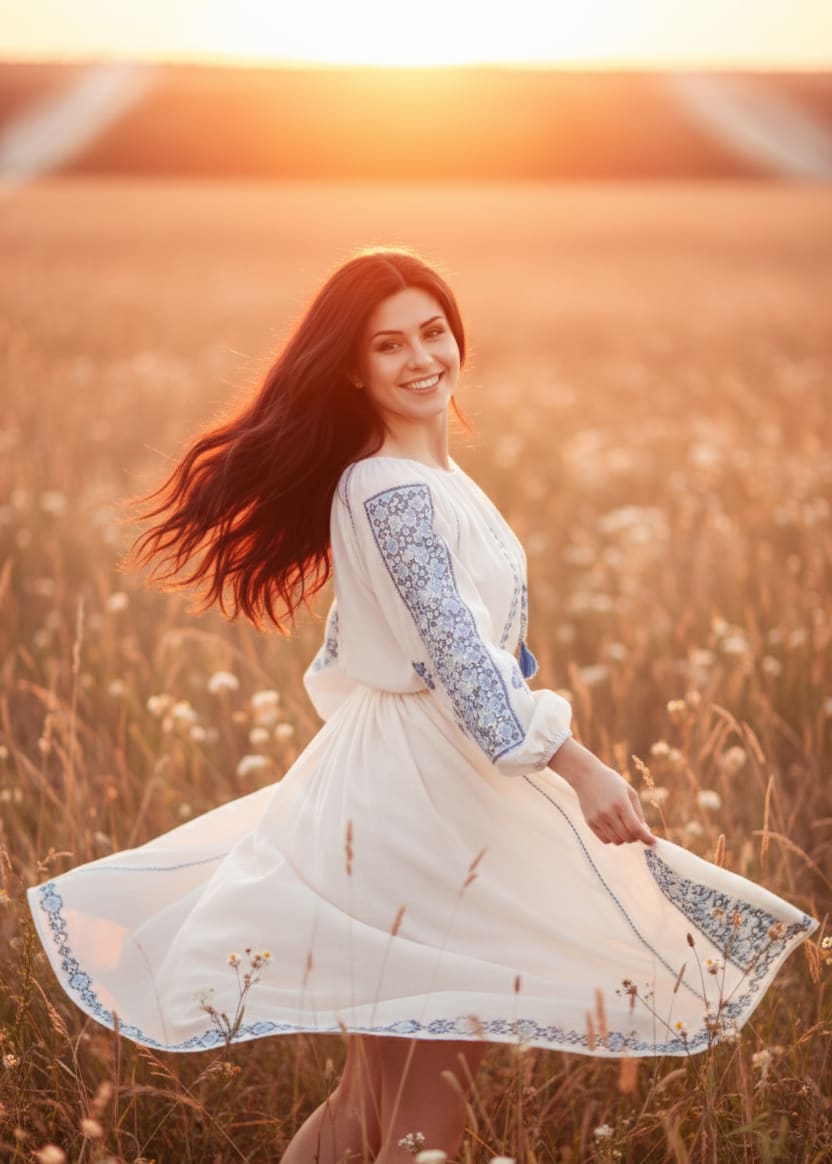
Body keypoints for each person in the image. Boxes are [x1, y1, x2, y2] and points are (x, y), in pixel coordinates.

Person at [28, 247, 818, 1163]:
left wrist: (506, 677)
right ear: (354, 372)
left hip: (425, 781)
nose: (421, 358)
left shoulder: (425, 480)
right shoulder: (391, 488)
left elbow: (435, 641)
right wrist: (578, 761)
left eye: (433, 332)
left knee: (376, 1101)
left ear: (458, 337)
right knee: (424, 1103)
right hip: (421, 803)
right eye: (389, 345)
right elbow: (452, 657)